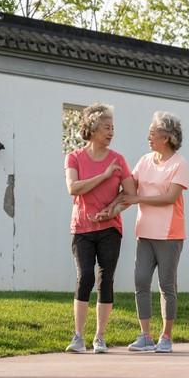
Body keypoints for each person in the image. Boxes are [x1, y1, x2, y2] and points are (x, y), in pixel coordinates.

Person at [64, 103, 135, 353]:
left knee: (105, 280)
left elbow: (130, 193)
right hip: (82, 228)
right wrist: (104, 176)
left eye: (113, 127)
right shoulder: (74, 157)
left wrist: (113, 208)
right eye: (107, 127)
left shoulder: (119, 160)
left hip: (110, 229)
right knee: (84, 276)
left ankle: (100, 337)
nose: (111, 132)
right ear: (92, 129)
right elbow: (73, 188)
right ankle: (78, 337)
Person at [117, 111, 189, 353]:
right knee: (140, 281)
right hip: (145, 232)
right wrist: (111, 208)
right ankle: (145, 336)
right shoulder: (145, 160)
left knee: (167, 286)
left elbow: (170, 197)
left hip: (170, 234)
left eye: (153, 132)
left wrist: (136, 198)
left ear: (167, 137)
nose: (149, 136)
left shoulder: (179, 164)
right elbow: (129, 189)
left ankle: (166, 336)